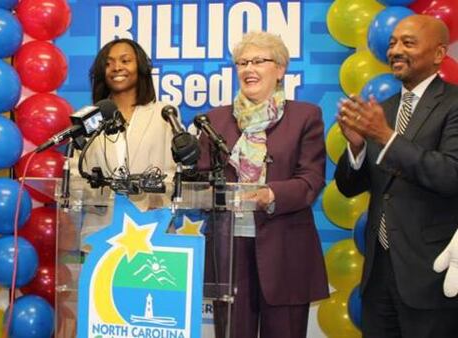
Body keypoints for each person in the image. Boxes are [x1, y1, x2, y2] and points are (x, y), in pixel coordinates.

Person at [196, 31, 328, 338]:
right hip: (229, 253)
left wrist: (271, 193)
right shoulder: (214, 121)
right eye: (242, 62)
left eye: (258, 61)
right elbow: (200, 177)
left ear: (280, 69)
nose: (248, 69)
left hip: (286, 253)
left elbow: (311, 179)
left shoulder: (305, 116)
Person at [335, 15, 458, 337]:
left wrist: (386, 137)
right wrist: (357, 147)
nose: (395, 50)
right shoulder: (383, 109)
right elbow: (349, 187)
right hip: (379, 273)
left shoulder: (454, 104)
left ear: (438, 54)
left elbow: (450, 174)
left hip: (430, 273)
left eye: (408, 42)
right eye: (392, 43)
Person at [80, 38, 176, 181]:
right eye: (108, 63)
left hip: (152, 202)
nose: (116, 67)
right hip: (101, 202)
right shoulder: (90, 116)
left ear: (141, 66)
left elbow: (173, 171)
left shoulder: (163, 113)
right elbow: (76, 172)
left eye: (125, 61)